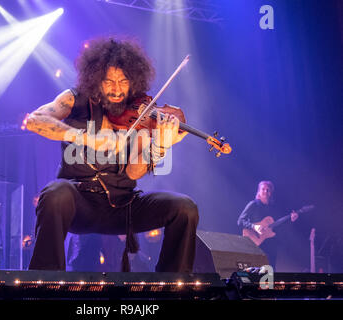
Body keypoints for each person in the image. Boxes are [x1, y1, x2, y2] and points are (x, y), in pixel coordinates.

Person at [26, 37, 199, 272]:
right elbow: (35, 121)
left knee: (184, 208)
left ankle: (173, 288)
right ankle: (45, 286)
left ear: (134, 81)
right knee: (55, 193)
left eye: (123, 81)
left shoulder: (141, 113)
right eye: (109, 82)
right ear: (97, 80)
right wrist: (85, 137)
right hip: (80, 203)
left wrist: (160, 144)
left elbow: (134, 171)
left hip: (124, 206)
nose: (117, 89)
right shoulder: (75, 99)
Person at [237, 181, 298, 269]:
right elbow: (240, 221)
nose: (266, 191)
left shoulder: (273, 208)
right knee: (255, 270)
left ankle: (269, 282)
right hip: (255, 242)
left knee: (270, 269)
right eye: (263, 189)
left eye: (268, 190)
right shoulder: (253, 204)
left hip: (270, 243)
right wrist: (254, 226)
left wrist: (291, 219)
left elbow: (278, 225)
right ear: (259, 191)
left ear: (271, 193)